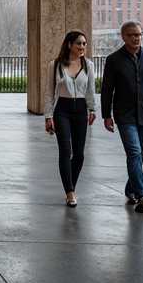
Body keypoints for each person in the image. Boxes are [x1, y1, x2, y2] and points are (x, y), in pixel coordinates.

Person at [100, 21, 143, 212]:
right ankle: (142, 195)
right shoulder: (114, 60)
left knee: (141, 155)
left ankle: (130, 188)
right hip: (125, 115)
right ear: (124, 37)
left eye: (139, 34)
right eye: (132, 35)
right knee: (134, 152)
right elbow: (107, 90)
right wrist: (106, 115)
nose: (136, 38)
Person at [43, 30, 97, 207]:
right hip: (62, 110)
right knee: (65, 151)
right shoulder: (56, 65)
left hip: (81, 109)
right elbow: (50, 92)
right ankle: (70, 192)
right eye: (78, 44)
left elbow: (90, 90)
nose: (82, 47)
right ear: (69, 45)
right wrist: (48, 117)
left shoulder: (88, 65)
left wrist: (92, 110)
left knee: (79, 154)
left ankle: (70, 183)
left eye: (84, 44)